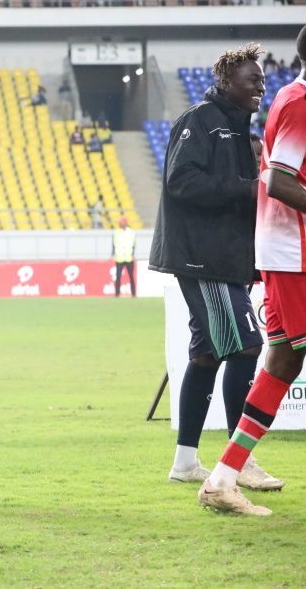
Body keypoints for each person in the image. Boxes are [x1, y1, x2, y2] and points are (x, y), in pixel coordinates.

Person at [149, 42, 283, 492]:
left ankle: (185, 462)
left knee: (206, 355)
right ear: (226, 81)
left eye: (263, 80)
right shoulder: (199, 121)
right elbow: (180, 181)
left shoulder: (243, 132)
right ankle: (238, 459)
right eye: (252, 80)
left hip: (226, 259)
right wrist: (247, 189)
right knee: (246, 347)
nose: (260, 87)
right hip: (202, 257)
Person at [198, 27, 306, 515]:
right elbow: (280, 180)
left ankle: (222, 479)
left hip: (285, 251)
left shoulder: (291, 97)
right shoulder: (301, 102)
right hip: (293, 253)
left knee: (283, 361)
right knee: (285, 358)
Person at [112, 216, 136, 297]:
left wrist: (132, 254)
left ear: (125, 223)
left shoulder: (131, 233)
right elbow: (114, 244)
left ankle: (133, 294)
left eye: (121, 222)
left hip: (129, 258)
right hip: (119, 258)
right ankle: (117, 294)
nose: (119, 224)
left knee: (131, 277)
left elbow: (133, 245)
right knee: (118, 277)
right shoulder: (116, 233)